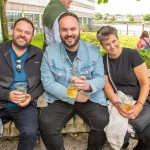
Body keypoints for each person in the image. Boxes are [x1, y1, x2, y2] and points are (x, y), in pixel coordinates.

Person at [39, 12, 109, 150]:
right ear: (59, 32)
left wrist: (89, 85)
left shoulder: (94, 51)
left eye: (73, 29)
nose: (69, 33)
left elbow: (101, 79)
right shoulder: (49, 52)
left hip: (89, 97)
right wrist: (73, 95)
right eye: (64, 29)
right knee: (46, 123)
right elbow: (48, 82)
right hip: (61, 97)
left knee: (103, 121)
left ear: (80, 29)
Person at [97, 25, 150, 150]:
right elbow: (107, 87)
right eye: (107, 44)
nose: (112, 46)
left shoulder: (132, 55)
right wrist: (117, 104)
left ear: (118, 39)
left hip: (140, 101)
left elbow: (145, 83)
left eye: (114, 41)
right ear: (103, 46)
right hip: (119, 102)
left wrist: (139, 105)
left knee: (148, 136)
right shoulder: (103, 61)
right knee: (122, 135)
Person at [0, 18, 43, 150]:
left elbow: (44, 82)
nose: (22, 35)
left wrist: (31, 96)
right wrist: (7, 95)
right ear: (12, 31)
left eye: (27, 32)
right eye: (19, 30)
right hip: (1, 101)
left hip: (25, 105)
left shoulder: (39, 54)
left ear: (32, 36)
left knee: (30, 132)